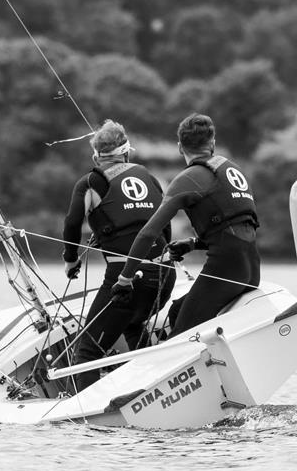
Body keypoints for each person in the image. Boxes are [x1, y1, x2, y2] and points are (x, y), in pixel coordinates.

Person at [111, 113, 260, 336]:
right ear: (213, 143)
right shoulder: (233, 170)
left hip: (225, 270)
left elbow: (148, 234)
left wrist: (125, 278)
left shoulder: (188, 179)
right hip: (252, 267)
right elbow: (238, 227)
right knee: (177, 311)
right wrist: (192, 244)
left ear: (180, 148)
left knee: (182, 334)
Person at [62, 119, 175, 391]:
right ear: (126, 152)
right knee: (132, 324)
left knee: (87, 351)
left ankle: (81, 412)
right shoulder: (148, 176)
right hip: (165, 274)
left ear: (96, 157)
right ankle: (155, 391)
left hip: (126, 280)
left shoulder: (90, 182)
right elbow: (164, 227)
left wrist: (71, 259)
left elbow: (72, 223)